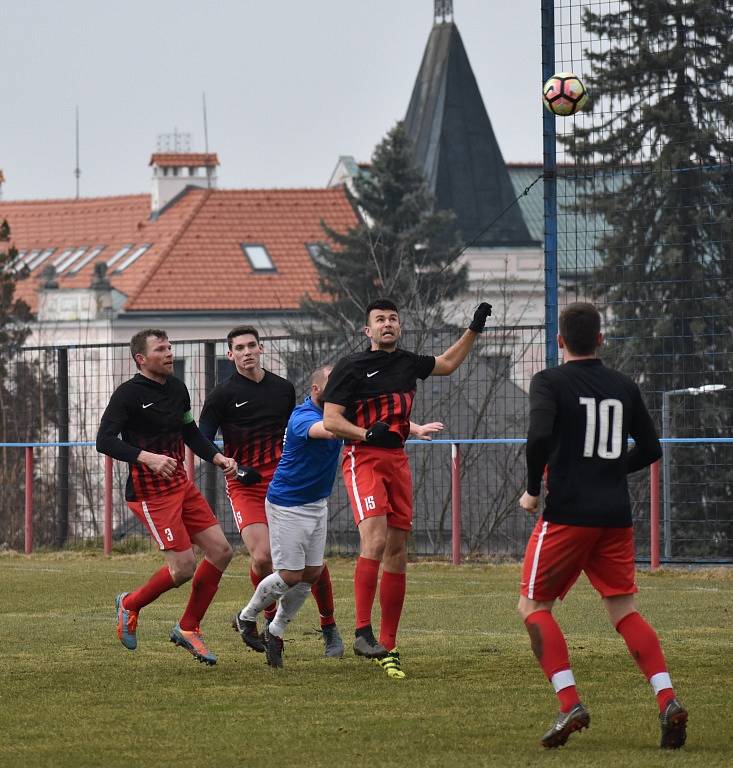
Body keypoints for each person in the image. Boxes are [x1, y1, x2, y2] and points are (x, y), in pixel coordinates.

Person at [517, 302, 687, 750]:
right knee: (624, 610)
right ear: (600, 340)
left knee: (533, 607)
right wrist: (610, 471)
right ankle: (667, 697)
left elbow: (537, 437)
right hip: (615, 517)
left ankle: (569, 701)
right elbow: (650, 448)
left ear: (559, 341)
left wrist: (533, 488)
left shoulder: (548, 381)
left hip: (568, 513)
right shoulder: (623, 385)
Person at [322, 297, 492, 678]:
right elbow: (332, 421)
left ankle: (388, 645)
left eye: (393, 319)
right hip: (363, 457)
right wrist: (366, 432)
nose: (388, 323)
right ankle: (362, 631)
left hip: (397, 460)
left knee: (397, 552)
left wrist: (474, 329)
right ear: (367, 331)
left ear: (400, 327)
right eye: (380, 319)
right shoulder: (351, 366)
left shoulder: (407, 363)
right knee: (376, 541)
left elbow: (446, 364)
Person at [199, 325, 344, 657]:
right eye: (240, 347)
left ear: (261, 349)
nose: (247, 351)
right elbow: (202, 437)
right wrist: (224, 461)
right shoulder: (222, 395)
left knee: (314, 564)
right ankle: (266, 620)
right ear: (230, 354)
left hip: (284, 483)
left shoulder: (281, 389)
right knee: (263, 557)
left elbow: (296, 433)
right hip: (245, 484)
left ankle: (329, 625)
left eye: (252, 345)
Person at [96, 329, 237, 665]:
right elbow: (105, 440)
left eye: (170, 347)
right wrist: (147, 457)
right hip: (150, 494)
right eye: (161, 349)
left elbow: (190, 431)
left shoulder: (177, 388)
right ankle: (130, 604)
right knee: (184, 566)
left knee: (221, 551)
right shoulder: (127, 395)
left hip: (181, 486)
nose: (170, 353)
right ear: (141, 359)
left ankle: (189, 627)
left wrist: (218, 458)